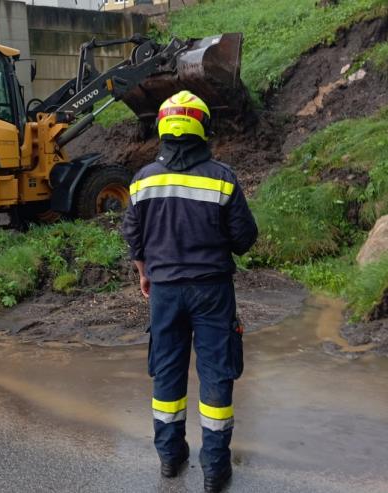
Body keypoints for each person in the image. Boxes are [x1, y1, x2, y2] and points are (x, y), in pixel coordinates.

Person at [122, 90, 258, 493]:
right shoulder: (222, 178)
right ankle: (215, 470)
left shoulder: (143, 179)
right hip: (212, 292)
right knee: (216, 375)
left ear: (163, 128)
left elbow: (133, 235)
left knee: (166, 372)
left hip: (164, 293)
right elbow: (244, 239)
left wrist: (145, 270)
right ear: (203, 128)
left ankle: (170, 459)